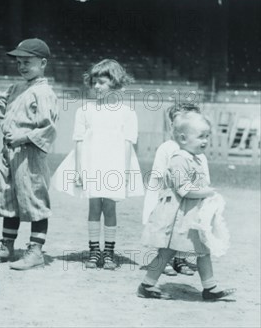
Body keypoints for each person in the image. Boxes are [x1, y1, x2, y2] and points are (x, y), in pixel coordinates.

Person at [0, 38, 58, 270]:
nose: (22, 66)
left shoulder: (44, 92)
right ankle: (7, 246)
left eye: (27, 62)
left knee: (33, 198)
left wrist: (23, 137)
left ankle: (36, 250)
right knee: (8, 197)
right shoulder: (16, 87)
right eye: (19, 62)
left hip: (30, 153)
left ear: (42, 63)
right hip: (9, 152)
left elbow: (48, 128)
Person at [50, 59, 144, 270]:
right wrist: (79, 170)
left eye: (102, 82)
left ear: (116, 83)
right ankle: (94, 251)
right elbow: (79, 142)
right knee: (94, 206)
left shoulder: (127, 112)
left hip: (114, 164)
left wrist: (126, 171)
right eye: (94, 82)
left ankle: (108, 253)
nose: (97, 87)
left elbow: (129, 144)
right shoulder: (85, 110)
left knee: (109, 207)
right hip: (92, 163)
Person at [138, 112, 235, 300]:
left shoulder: (195, 159)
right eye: (201, 136)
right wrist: (208, 192)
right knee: (167, 252)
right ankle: (146, 285)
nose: (205, 141)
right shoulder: (179, 160)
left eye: (207, 136)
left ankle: (210, 288)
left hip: (191, 216)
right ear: (183, 138)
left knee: (203, 250)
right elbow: (184, 190)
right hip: (177, 217)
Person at [142, 102, 204, 276]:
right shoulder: (167, 148)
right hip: (169, 195)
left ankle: (180, 259)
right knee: (166, 228)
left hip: (189, 195)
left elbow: (202, 171)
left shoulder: (196, 147)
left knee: (185, 228)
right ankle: (164, 260)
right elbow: (159, 175)